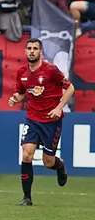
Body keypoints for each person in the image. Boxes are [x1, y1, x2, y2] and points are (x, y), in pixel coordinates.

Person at [9, 38, 72, 206]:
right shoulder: (22, 72)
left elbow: (70, 87)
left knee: (48, 162)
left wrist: (59, 107)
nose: (31, 51)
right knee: (26, 154)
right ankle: (27, 197)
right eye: (29, 48)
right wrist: (16, 98)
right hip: (32, 119)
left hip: (51, 121)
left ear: (40, 52)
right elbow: (22, 93)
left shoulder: (51, 70)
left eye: (35, 48)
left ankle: (60, 166)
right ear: (25, 51)